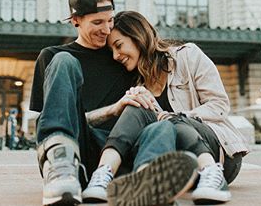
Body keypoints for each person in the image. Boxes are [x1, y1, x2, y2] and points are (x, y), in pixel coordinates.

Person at [30, 0, 198, 206]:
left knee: (161, 127)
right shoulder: (52, 58)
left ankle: (146, 184)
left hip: (119, 154)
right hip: (78, 152)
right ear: (76, 20)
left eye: (109, 20)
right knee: (63, 60)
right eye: (97, 22)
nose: (107, 29)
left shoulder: (121, 57)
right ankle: (62, 171)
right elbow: (52, 119)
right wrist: (113, 109)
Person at [82, 10, 248, 205]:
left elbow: (219, 106)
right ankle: (103, 176)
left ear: (138, 36)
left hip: (219, 155)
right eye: (112, 51)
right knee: (136, 103)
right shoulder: (137, 84)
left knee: (171, 120)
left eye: (118, 46)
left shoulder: (188, 56)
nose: (116, 55)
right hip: (178, 163)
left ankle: (212, 175)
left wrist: (177, 116)